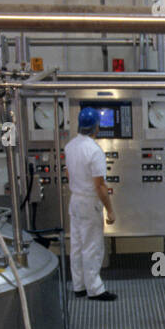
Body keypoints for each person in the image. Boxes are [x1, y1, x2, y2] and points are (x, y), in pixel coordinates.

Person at [65, 105, 116, 300]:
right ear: (96, 127)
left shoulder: (70, 147)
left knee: (77, 245)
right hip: (88, 202)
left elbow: (68, 173)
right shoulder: (94, 151)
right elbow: (100, 186)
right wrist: (110, 210)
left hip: (75, 201)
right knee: (92, 246)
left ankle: (79, 286)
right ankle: (95, 289)